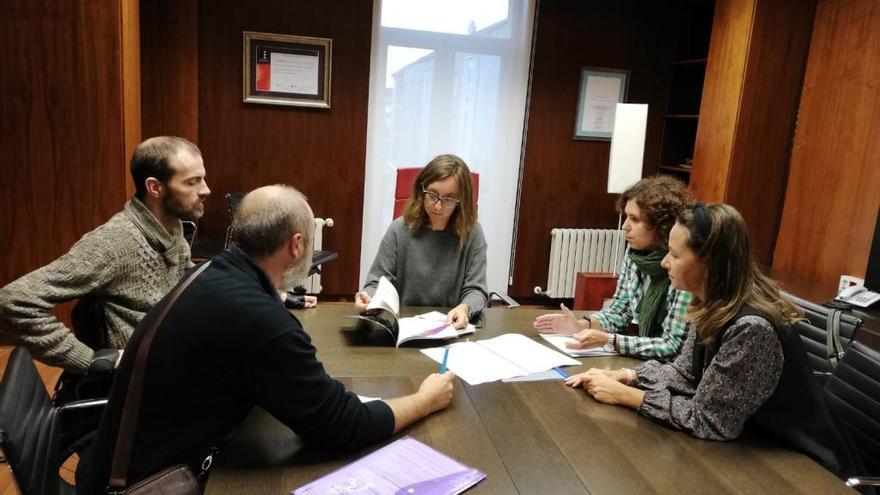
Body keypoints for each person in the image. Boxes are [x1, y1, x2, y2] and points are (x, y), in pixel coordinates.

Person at [75, 185, 455, 493]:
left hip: (112, 463)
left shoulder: (212, 274)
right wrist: (425, 400)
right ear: (296, 246)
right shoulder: (259, 321)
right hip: (142, 484)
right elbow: (342, 426)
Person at [564, 203, 859, 477]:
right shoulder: (712, 302)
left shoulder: (751, 329)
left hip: (803, 467)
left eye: (676, 255)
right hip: (754, 445)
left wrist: (625, 396)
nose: (665, 262)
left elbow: (709, 422)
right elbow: (685, 373)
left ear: (710, 263)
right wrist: (626, 376)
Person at [0, 136, 210, 373]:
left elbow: (181, 276)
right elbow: (13, 301)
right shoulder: (114, 244)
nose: (206, 190)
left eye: (202, 179)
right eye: (193, 182)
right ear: (155, 187)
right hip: (144, 382)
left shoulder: (170, 224)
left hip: (172, 354)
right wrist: (88, 359)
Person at [533, 175, 692, 360]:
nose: (625, 226)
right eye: (626, 217)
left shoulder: (684, 268)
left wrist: (609, 340)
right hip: (647, 361)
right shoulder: (635, 254)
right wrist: (581, 326)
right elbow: (620, 310)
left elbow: (672, 346)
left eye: (634, 219)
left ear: (662, 225)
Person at [355, 154, 488, 329]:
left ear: (461, 202)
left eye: (448, 199)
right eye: (432, 195)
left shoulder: (472, 233)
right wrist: (368, 299)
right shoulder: (399, 229)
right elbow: (376, 283)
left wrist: (465, 308)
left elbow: (476, 290)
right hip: (405, 327)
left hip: (450, 327)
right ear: (421, 190)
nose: (437, 206)